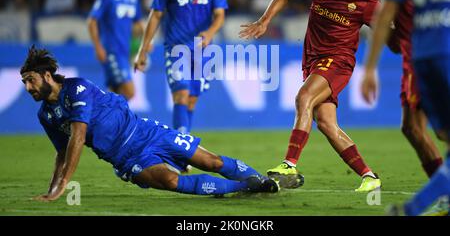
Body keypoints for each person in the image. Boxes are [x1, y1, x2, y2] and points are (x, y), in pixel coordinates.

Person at [21, 46, 279, 202]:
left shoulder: (76, 88)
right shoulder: (46, 115)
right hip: (124, 156)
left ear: (46, 75)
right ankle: (247, 186)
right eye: (24, 82)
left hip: (147, 132)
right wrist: (53, 188)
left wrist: (64, 185)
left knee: (212, 162)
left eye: (31, 80)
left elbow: (78, 137)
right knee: (171, 182)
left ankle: (262, 179)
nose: (28, 87)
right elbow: (61, 152)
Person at [240, 0, 381, 192]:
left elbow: (387, 30)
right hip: (313, 60)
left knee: (303, 97)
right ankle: (369, 176)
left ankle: (289, 164)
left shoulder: (367, 3)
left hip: (338, 62)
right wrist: (264, 21)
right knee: (326, 123)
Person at [361, 0, 450, 216]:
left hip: (422, 52)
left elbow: (386, 14)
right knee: (418, 128)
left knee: (417, 128)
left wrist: (371, 66)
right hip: (425, 50)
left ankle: (416, 207)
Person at [134, 0, 227, 135]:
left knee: (191, 100)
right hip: (176, 48)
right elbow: (156, 15)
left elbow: (220, 15)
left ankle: (183, 140)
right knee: (181, 96)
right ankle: (181, 148)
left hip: (203, 49)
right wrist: (143, 50)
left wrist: (210, 32)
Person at [378, 0, 443, 182]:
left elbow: (391, 10)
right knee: (412, 127)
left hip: (424, 49)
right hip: (417, 49)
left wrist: (389, 36)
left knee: (428, 128)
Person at [87, 0, 145, 100]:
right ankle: (107, 118)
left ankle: (104, 120)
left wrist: (145, 43)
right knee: (129, 92)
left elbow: (137, 24)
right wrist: (98, 46)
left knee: (115, 94)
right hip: (111, 50)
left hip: (125, 52)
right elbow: (92, 21)